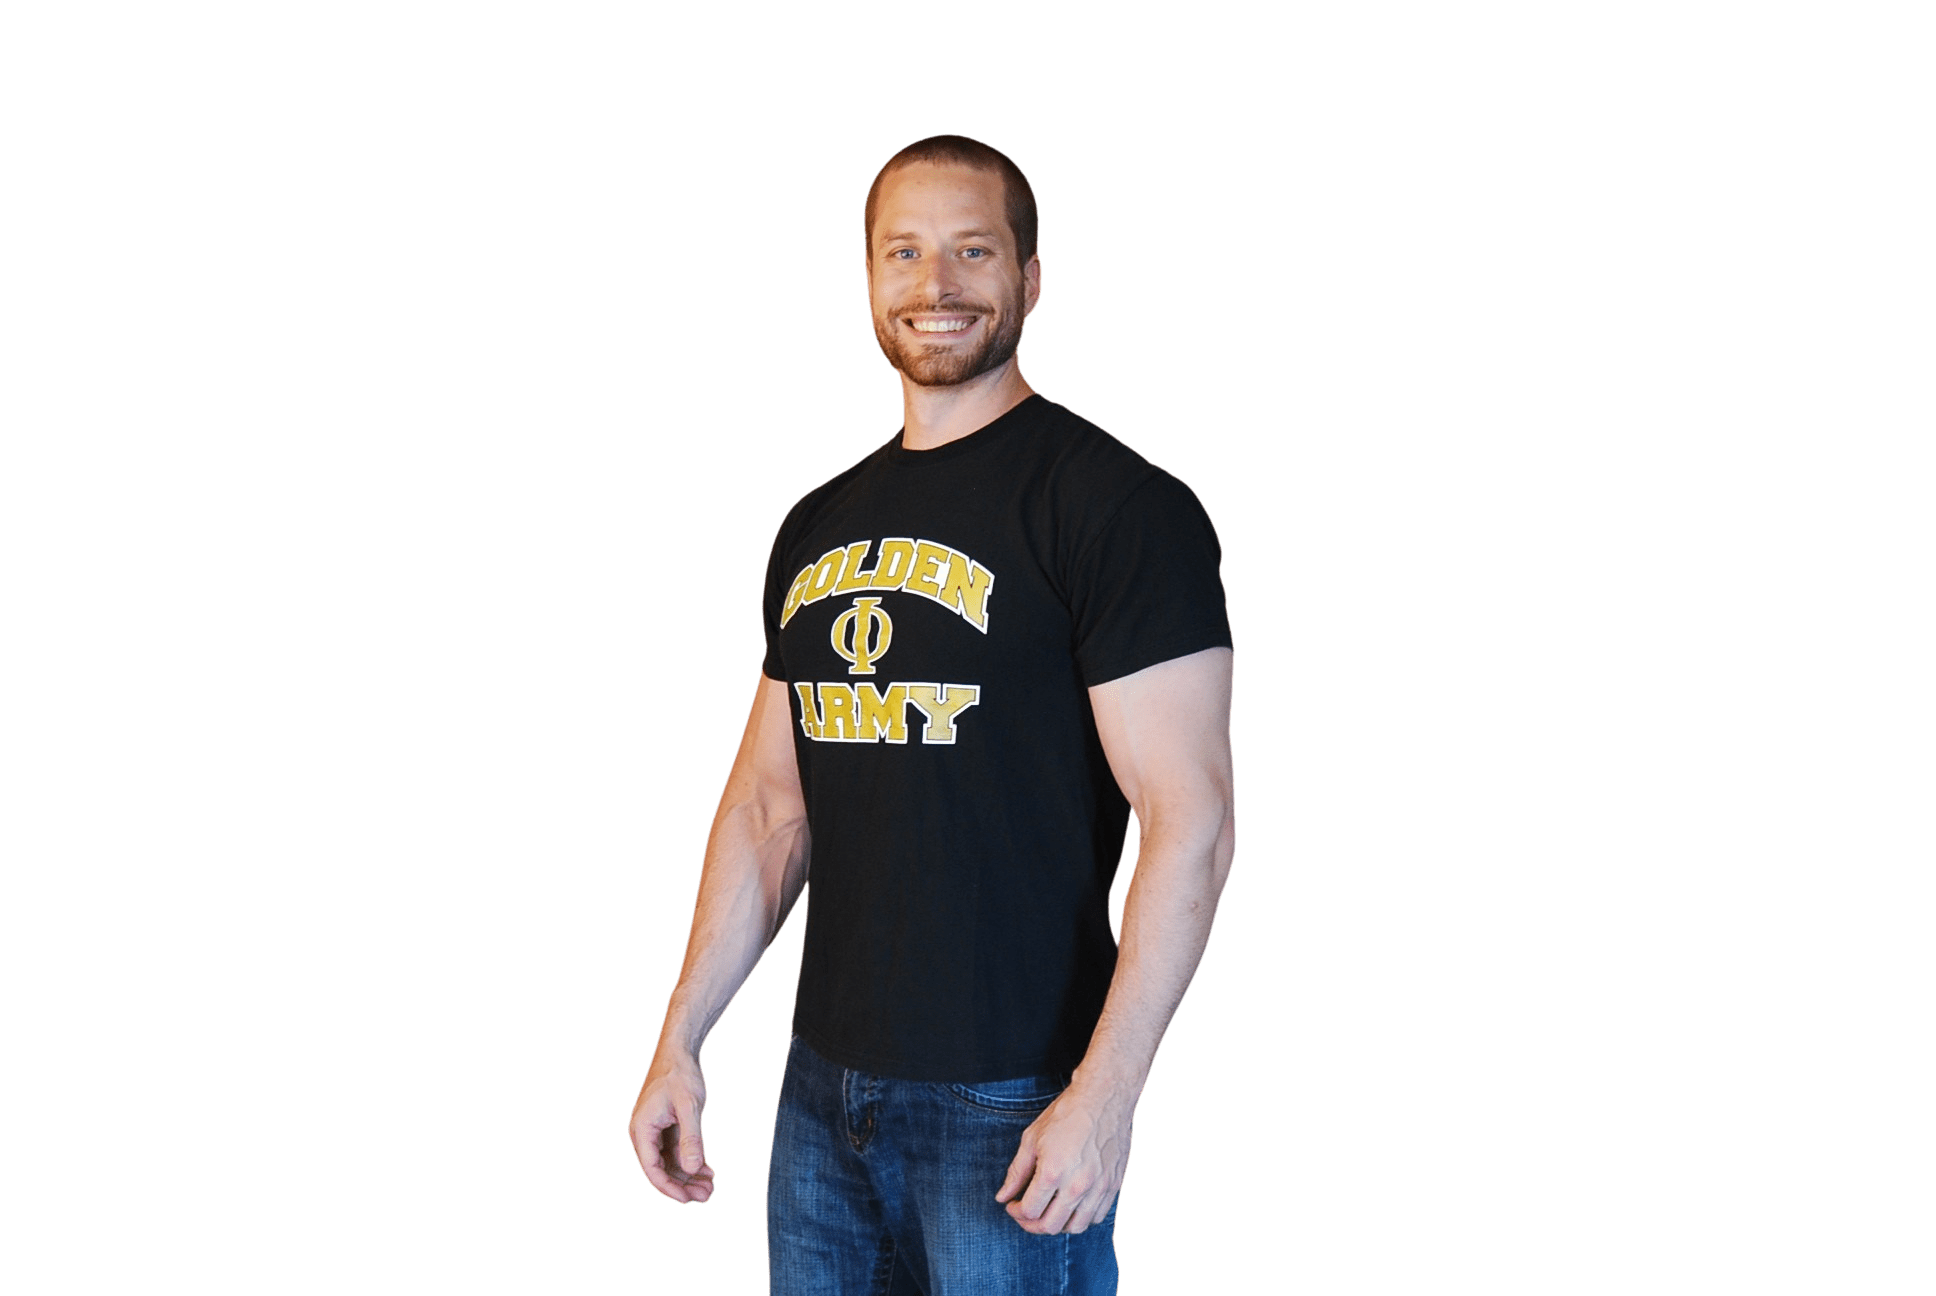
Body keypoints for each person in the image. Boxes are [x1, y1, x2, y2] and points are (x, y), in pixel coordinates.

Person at [628, 134, 1236, 1294]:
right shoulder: (817, 522)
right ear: (867, 276)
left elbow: (1190, 818)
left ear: (1030, 280)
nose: (936, 284)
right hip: (821, 1093)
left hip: (1011, 1100)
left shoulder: (1116, 507)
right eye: (904, 251)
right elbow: (768, 808)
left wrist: (1104, 1097)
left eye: (972, 250)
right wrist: (681, 1040)